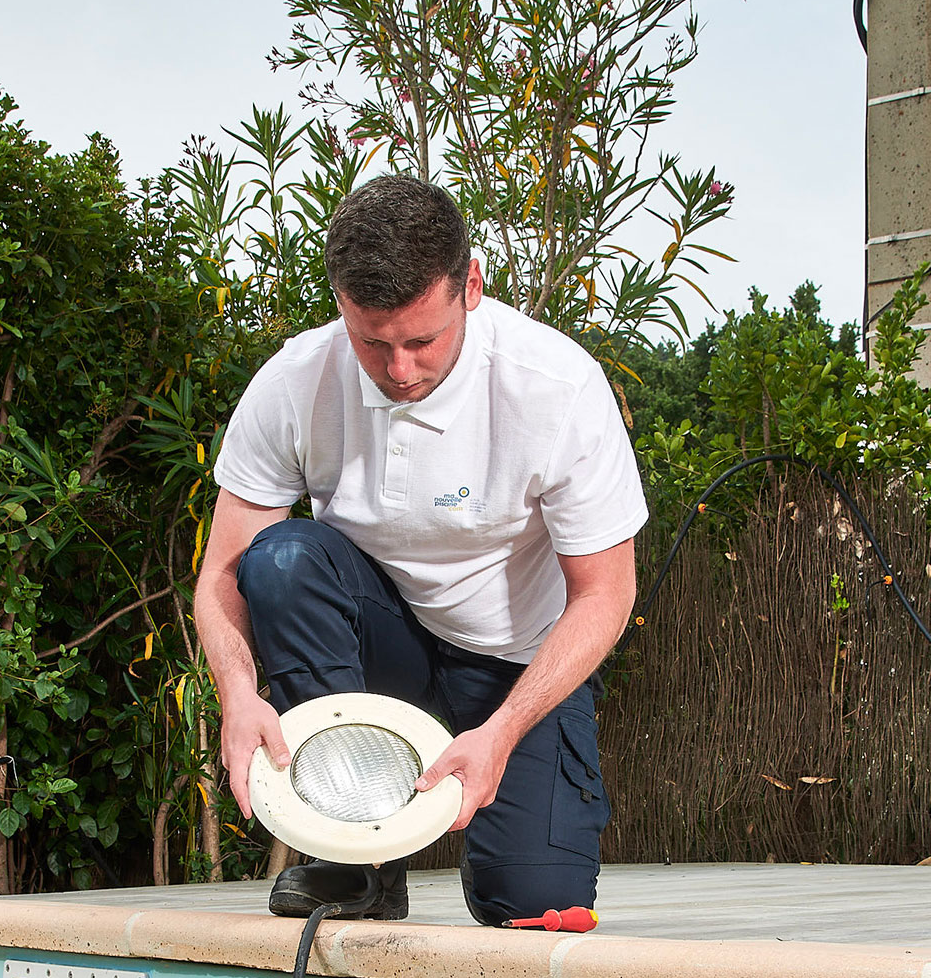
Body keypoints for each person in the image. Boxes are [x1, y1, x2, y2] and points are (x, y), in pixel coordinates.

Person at [193, 176, 647, 924]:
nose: (400, 371)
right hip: (382, 652)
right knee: (278, 560)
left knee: (534, 904)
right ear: (340, 303)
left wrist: (501, 732)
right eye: (373, 343)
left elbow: (607, 594)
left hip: (513, 670)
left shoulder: (557, 388)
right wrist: (238, 695)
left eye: (421, 341)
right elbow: (220, 578)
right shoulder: (294, 382)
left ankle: (519, 839)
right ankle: (355, 855)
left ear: (470, 285)